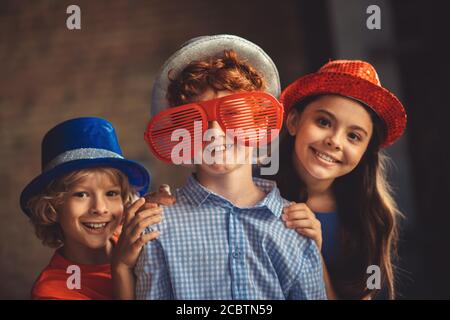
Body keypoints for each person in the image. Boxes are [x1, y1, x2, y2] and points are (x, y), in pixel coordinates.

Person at [135, 34, 327, 300]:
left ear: (260, 125)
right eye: (195, 121)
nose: (214, 134)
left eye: (233, 115)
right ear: (181, 138)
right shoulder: (156, 226)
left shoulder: (295, 227)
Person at [275, 60, 407, 299]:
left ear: (366, 151)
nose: (335, 141)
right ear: (294, 121)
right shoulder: (251, 191)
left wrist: (312, 251)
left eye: (354, 136)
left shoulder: (371, 217)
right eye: (324, 122)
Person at [20, 117, 165, 299]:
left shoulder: (130, 237)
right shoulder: (51, 291)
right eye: (81, 194)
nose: (100, 208)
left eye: (111, 193)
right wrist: (121, 267)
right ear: (52, 206)